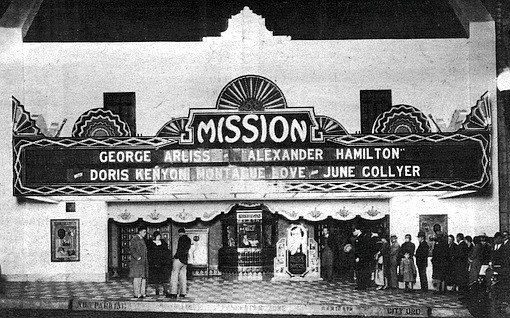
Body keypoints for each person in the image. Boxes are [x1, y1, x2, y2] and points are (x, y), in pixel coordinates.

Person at [167, 228, 191, 298]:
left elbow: (179, 250)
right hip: (185, 260)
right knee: (183, 276)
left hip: (179, 259)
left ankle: (173, 293)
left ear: (180, 233)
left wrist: (175, 257)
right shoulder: (188, 239)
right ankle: (183, 293)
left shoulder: (181, 239)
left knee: (174, 275)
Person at [147, 231, 171, 296]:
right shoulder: (150, 243)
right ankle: (157, 290)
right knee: (156, 278)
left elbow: (167, 251)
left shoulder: (163, 242)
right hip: (154, 263)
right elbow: (149, 253)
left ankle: (165, 290)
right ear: (155, 236)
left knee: (164, 277)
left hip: (163, 263)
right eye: (157, 236)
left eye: (159, 236)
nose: (159, 237)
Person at [129, 226, 149, 299]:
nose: (145, 234)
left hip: (143, 262)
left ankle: (142, 293)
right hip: (137, 262)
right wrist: (138, 257)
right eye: (144, 232)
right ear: (140, 232)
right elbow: (132, 250)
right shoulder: (134, 239)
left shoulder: (142, 239)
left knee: (143, 278)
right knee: (137, 278)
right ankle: (137, 293)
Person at [353, 225, 371, 290]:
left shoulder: (362, 238)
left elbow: (361, 249)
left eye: (355, 230)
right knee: (359, 272)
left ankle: (362, 285)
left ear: (358, 230)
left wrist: (358, 257)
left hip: (361, 258)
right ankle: (360, 285)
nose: (354, 232)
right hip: (359, 258)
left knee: (361, 272)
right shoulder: (358, 238)